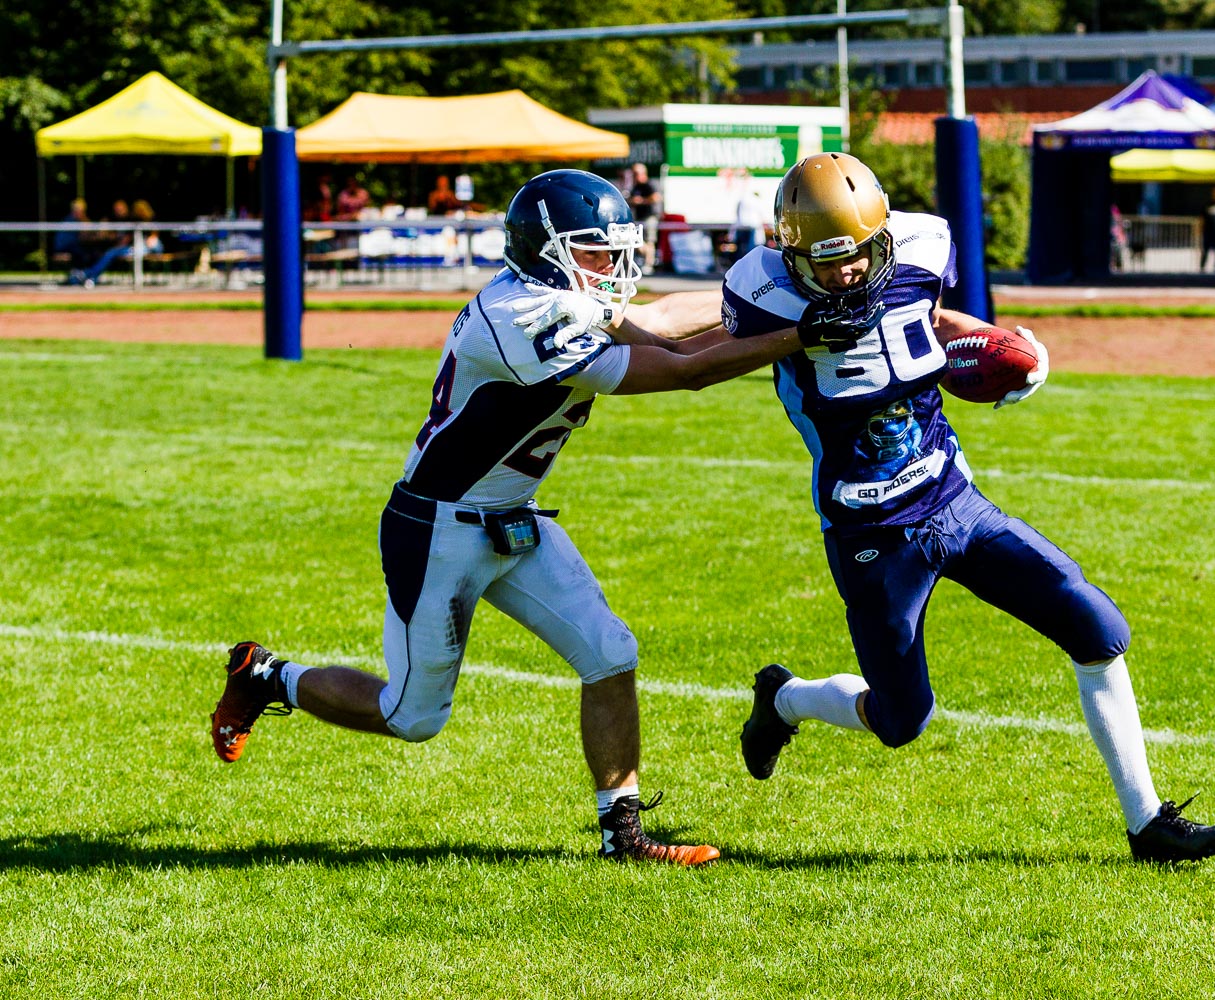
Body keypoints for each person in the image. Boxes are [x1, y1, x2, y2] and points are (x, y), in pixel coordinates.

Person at [209, 169, 834, 866]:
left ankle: (620, 836)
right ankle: (267, 677)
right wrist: (798, 335)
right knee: (413, 717)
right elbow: (680, 368)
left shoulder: (556, 294)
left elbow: (660, 324)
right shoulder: (522, 316)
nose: (611, 264)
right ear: (547, 248)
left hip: (512, 516)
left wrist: (779, 293)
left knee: (611, 655)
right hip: (439, 526)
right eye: (595, 249)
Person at [718, 152, 1215, 863]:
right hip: (871, 528)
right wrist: (797, 337)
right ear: (787, 252)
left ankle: (1147, 823)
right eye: (824, 262)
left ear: (884, 236)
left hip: (951, 497)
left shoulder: (921, 247)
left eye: (857, 257)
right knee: (903, 719)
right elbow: (714, 352)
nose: (843, 275)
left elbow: (928, 316)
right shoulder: (764, 293)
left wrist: (1003, 346)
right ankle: (783, 699)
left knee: (1095, 624)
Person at [626, 163, 661, 275]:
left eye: (636, 173)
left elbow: (656, 198)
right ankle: (645, 261)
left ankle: (648, 264)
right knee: (638, 241)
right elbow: (631, 200)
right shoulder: (635, 187)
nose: (635, 176)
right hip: (639, 218)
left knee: (649, 241)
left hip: (650, 216)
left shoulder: (649, 184)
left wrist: (641, 201)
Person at [1200, 188, 1215, 272]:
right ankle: (1202, 268)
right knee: (1205, 251)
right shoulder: (1207, 205)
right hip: (1208, 232)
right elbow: (1202, 219)